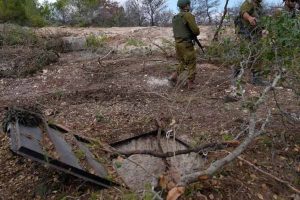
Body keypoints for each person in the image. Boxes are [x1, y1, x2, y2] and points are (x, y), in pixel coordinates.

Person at [169, 0, 200, 90]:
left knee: (183, 62)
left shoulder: (175, 17)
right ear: (186, 5)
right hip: (186, 44)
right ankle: (191, 83)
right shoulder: (188, 15)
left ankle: (173, 77)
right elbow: (196, 31)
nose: (189, 6)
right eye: (188, 4)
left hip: (177, 43)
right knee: (191, 62)